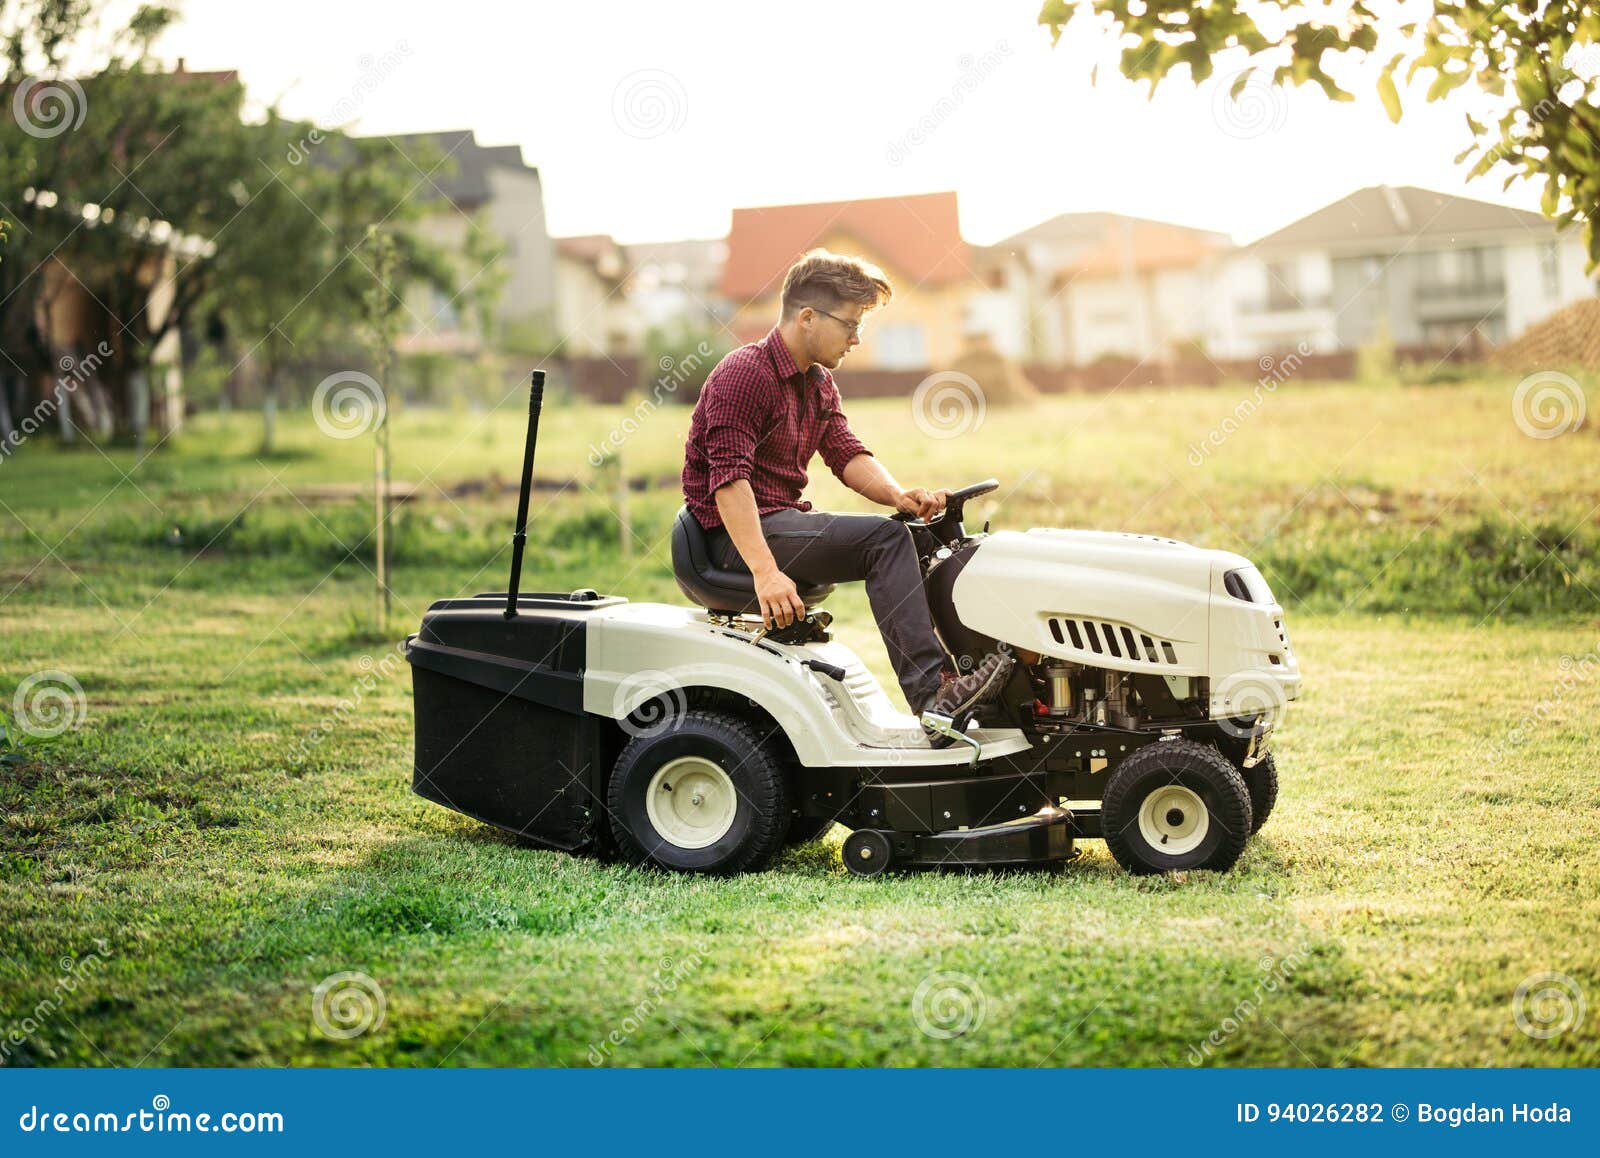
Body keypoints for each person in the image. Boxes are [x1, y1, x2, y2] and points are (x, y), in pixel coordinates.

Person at [681, 248, 1012, 721]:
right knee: (886, 540)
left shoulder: (816, 382)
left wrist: (899, 495)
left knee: (915, 534)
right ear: (808, 318)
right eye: (851, 324)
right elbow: (728, 483)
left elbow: (844, 450)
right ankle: (934, 699)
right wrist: (766, 573)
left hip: (780, 523)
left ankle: (974, 686)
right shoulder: (743, 375)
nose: (857, 338)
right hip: (730, 538)